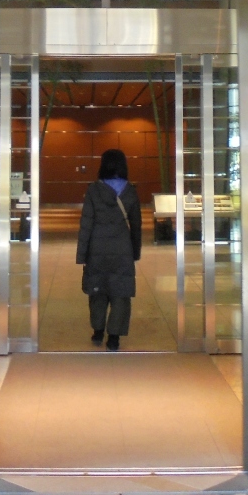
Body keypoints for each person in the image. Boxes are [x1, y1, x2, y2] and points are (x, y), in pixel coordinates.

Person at [76, 148, 142, 351]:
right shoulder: (130, 190)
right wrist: (135, 251)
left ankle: (98, 331)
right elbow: (136, 225)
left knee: (97, 289)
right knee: (121, 291)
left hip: (97, 247)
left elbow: (86, 224)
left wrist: (82, 254)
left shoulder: (94, 190)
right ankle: (114, 337)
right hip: (122, 247)